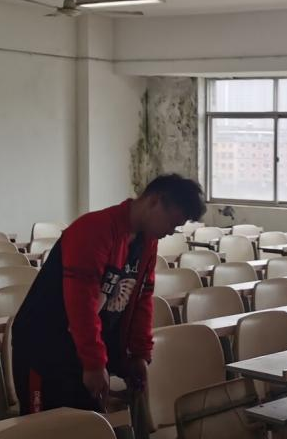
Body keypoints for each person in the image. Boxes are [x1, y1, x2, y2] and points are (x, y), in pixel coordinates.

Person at [12, 174, 206, 413]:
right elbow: (82, 303)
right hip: (43, 345)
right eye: (172, 223)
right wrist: (93, 363)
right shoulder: (94, 229)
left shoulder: (147, 241)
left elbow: (141, 298)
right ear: (155, 201)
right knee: (42, 425)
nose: (170, 231)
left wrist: (139, 354)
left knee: (87, 424)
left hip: (83, 346)